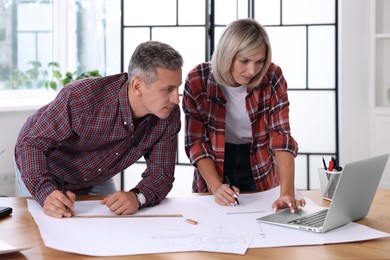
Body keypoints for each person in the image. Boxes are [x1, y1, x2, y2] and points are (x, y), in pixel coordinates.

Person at [14, 41, 183, 218]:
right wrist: (47, 194)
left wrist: (137, 197)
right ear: (137, 86)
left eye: (178, 87)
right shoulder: (81, 98)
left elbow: (161, 174)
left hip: (96, 173)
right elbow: (32, 145)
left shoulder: (168, 114)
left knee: (110, 226)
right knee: (46, 228)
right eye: (168, 89)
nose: (176, 99)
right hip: (46, 167)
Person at [182, 18, 305, 213]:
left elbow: (281, 136)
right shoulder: (198, 79)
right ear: (227, 54)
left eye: (260, 61)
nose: (253, 71)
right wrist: (216, 187)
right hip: (214, 161)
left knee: (262, 219)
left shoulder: (272, 76)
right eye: (244, 61)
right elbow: (197, 142)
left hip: (259, 158)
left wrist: (287, 192)